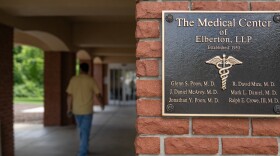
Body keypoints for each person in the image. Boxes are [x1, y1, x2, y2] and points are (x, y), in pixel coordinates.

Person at [66, 63, 104, 156]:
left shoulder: (73, 79)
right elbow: (98, 94)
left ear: (80, 69)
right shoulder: (91, 80)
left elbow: (69, 96)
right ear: (88, 70)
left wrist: (68, 109)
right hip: (87, 111)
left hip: (76, 111)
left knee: (83, 131)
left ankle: (84, 148)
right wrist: (101, 104)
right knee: (85, 132)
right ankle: (82, 153)